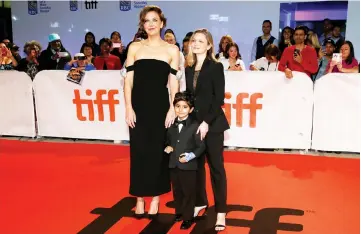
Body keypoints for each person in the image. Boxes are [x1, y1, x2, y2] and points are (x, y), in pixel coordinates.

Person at [124, 5, 180, 218]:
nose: (151, 24)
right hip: (138, 106)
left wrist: (172, 109)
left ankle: (155, 197)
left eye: (155, 20)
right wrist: (128, 107)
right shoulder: (134, 48)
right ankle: (139, 197)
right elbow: (128, 81)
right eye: (147, 20)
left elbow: (173, 83)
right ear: (143, 24)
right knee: (138, 151)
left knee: (158, 152)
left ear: (162, 23)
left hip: (160, 107)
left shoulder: (172, 50)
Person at [185, 28, 230, 231]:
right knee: (195, 166)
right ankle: (200, 202)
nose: (195, 44)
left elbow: (218, 99)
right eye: (194, 40)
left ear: (209, 45)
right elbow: (189, 95)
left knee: (216, 168)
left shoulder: (215, 67)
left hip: (212, 125)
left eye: (200, 41)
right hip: (193, 123)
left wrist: (206, 122)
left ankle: (221, 211)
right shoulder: (188, 67)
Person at [164, 91, 205, 230]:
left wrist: (190, 156)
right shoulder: (171, 123)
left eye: (185, 107)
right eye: (178, 106)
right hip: (173, 164)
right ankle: (179, 212)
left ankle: (188, 217)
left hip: (189, 166)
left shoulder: (195, 125)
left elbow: (201, 147)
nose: (180, 110)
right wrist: (167, 147)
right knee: (177, 191)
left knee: (188, 192)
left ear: (191, 109)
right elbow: (167, 141)